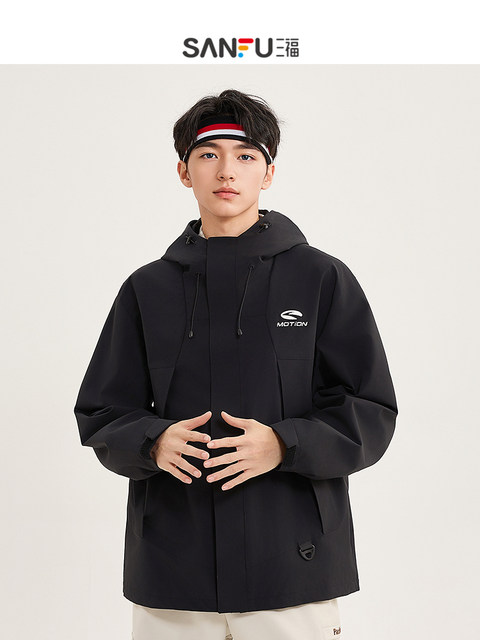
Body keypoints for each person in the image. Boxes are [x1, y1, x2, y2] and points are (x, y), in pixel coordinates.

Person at [73, 88, 398, 640]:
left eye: (246, 155)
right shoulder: (147, 289)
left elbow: (370, 408)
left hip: (291, 569)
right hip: (173, 572)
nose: (227, 170)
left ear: (268, 174)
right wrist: (152, 440)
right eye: (209, 154)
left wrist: (284, 444)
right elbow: (102, 411)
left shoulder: (320, 278)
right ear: (184, 171)